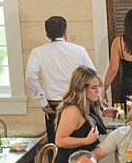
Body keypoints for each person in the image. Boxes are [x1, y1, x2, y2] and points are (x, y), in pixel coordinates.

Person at [27, 15, 94, 144]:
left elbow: (30, 76)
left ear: (47, 33)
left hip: (53, 106)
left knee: (56, 145)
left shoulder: (38, 52)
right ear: (65, 31)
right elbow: (92, 75)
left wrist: (42, 100)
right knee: (80, 144)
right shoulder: (79, 50)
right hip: (78, 103)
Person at [51, 66, 106, 163]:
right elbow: (60, 140)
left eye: (99, 87)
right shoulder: (72, 110)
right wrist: (86, 141)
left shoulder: (89, 106)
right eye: (94, 88)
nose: (98, 91)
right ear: (82, 89)